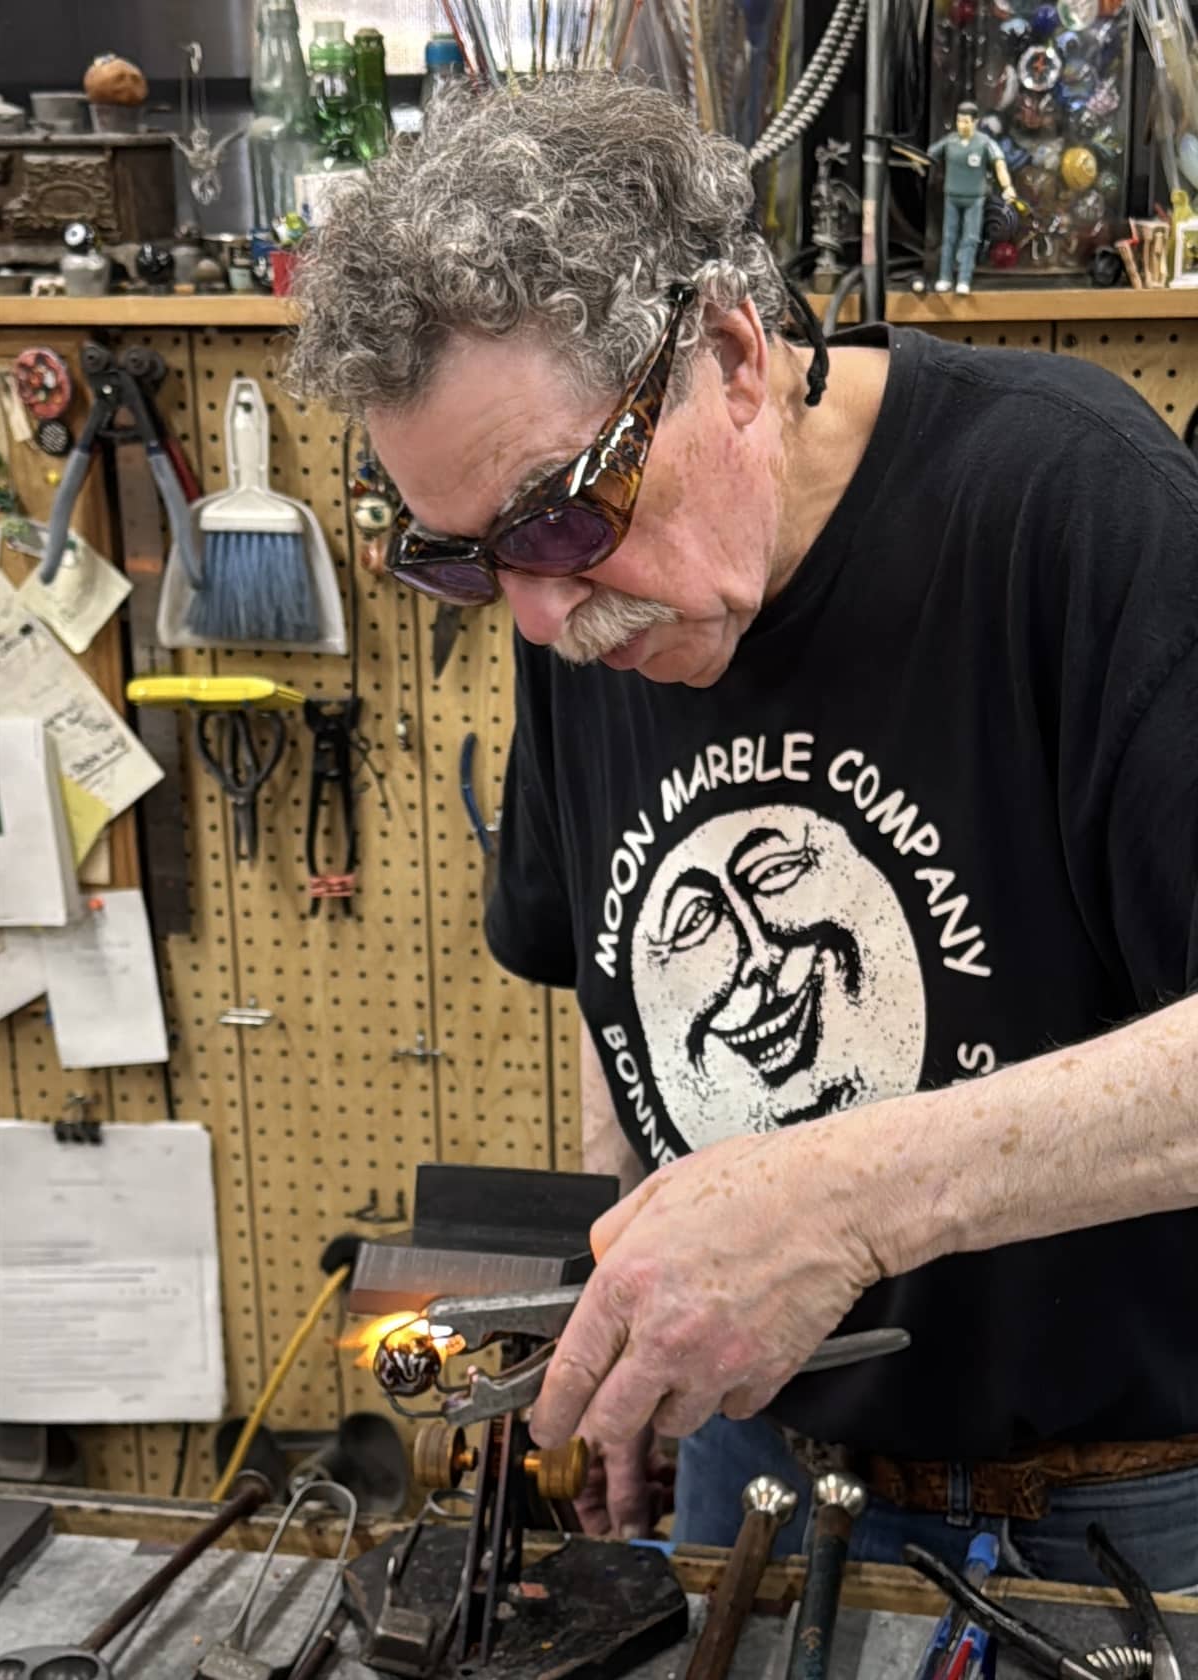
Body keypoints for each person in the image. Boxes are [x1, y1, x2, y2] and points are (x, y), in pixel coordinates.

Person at [289, 73, 1198, 1589]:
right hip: (752, 1464)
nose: (541, 614)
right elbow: (606, 967)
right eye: (464, 563)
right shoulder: (575, 594)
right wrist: (642, 1292)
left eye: (563, 516)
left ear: (727, 351)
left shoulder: (1076, 510)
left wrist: (839, 1200)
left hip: (1105, 1515)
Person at [927, 100, 1016, 294]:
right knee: (949, 238)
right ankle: (945, 277)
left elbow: (999, 163)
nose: (962, 125)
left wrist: (1007, 186)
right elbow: (930, 155)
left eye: (966, 122)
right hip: (952, 196)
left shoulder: (984, 142)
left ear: (975, 122)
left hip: (974, 198)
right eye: (959, 121)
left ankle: (964, 279)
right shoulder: (950, 141)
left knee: (970, 238)